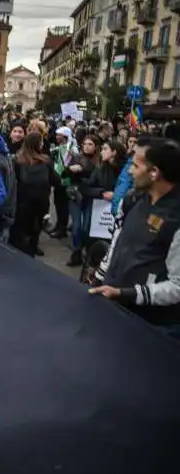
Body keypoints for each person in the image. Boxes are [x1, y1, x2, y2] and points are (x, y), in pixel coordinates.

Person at [90, 137, 180, 337]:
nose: (130, 171)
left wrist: (129, 294)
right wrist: (99, 278)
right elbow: (117, 242)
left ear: (154, 172)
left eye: (135, 165)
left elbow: (177, 286)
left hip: (154, 326)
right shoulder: (132, 199)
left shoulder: (176, 218)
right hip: (115, 310)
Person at [9, 132, 57, 256]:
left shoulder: (17, 161)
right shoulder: (46, 161)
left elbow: (12, 183)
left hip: (21, 204)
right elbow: (55, 180)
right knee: (35, 232)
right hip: (40, 205)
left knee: (20, 235)